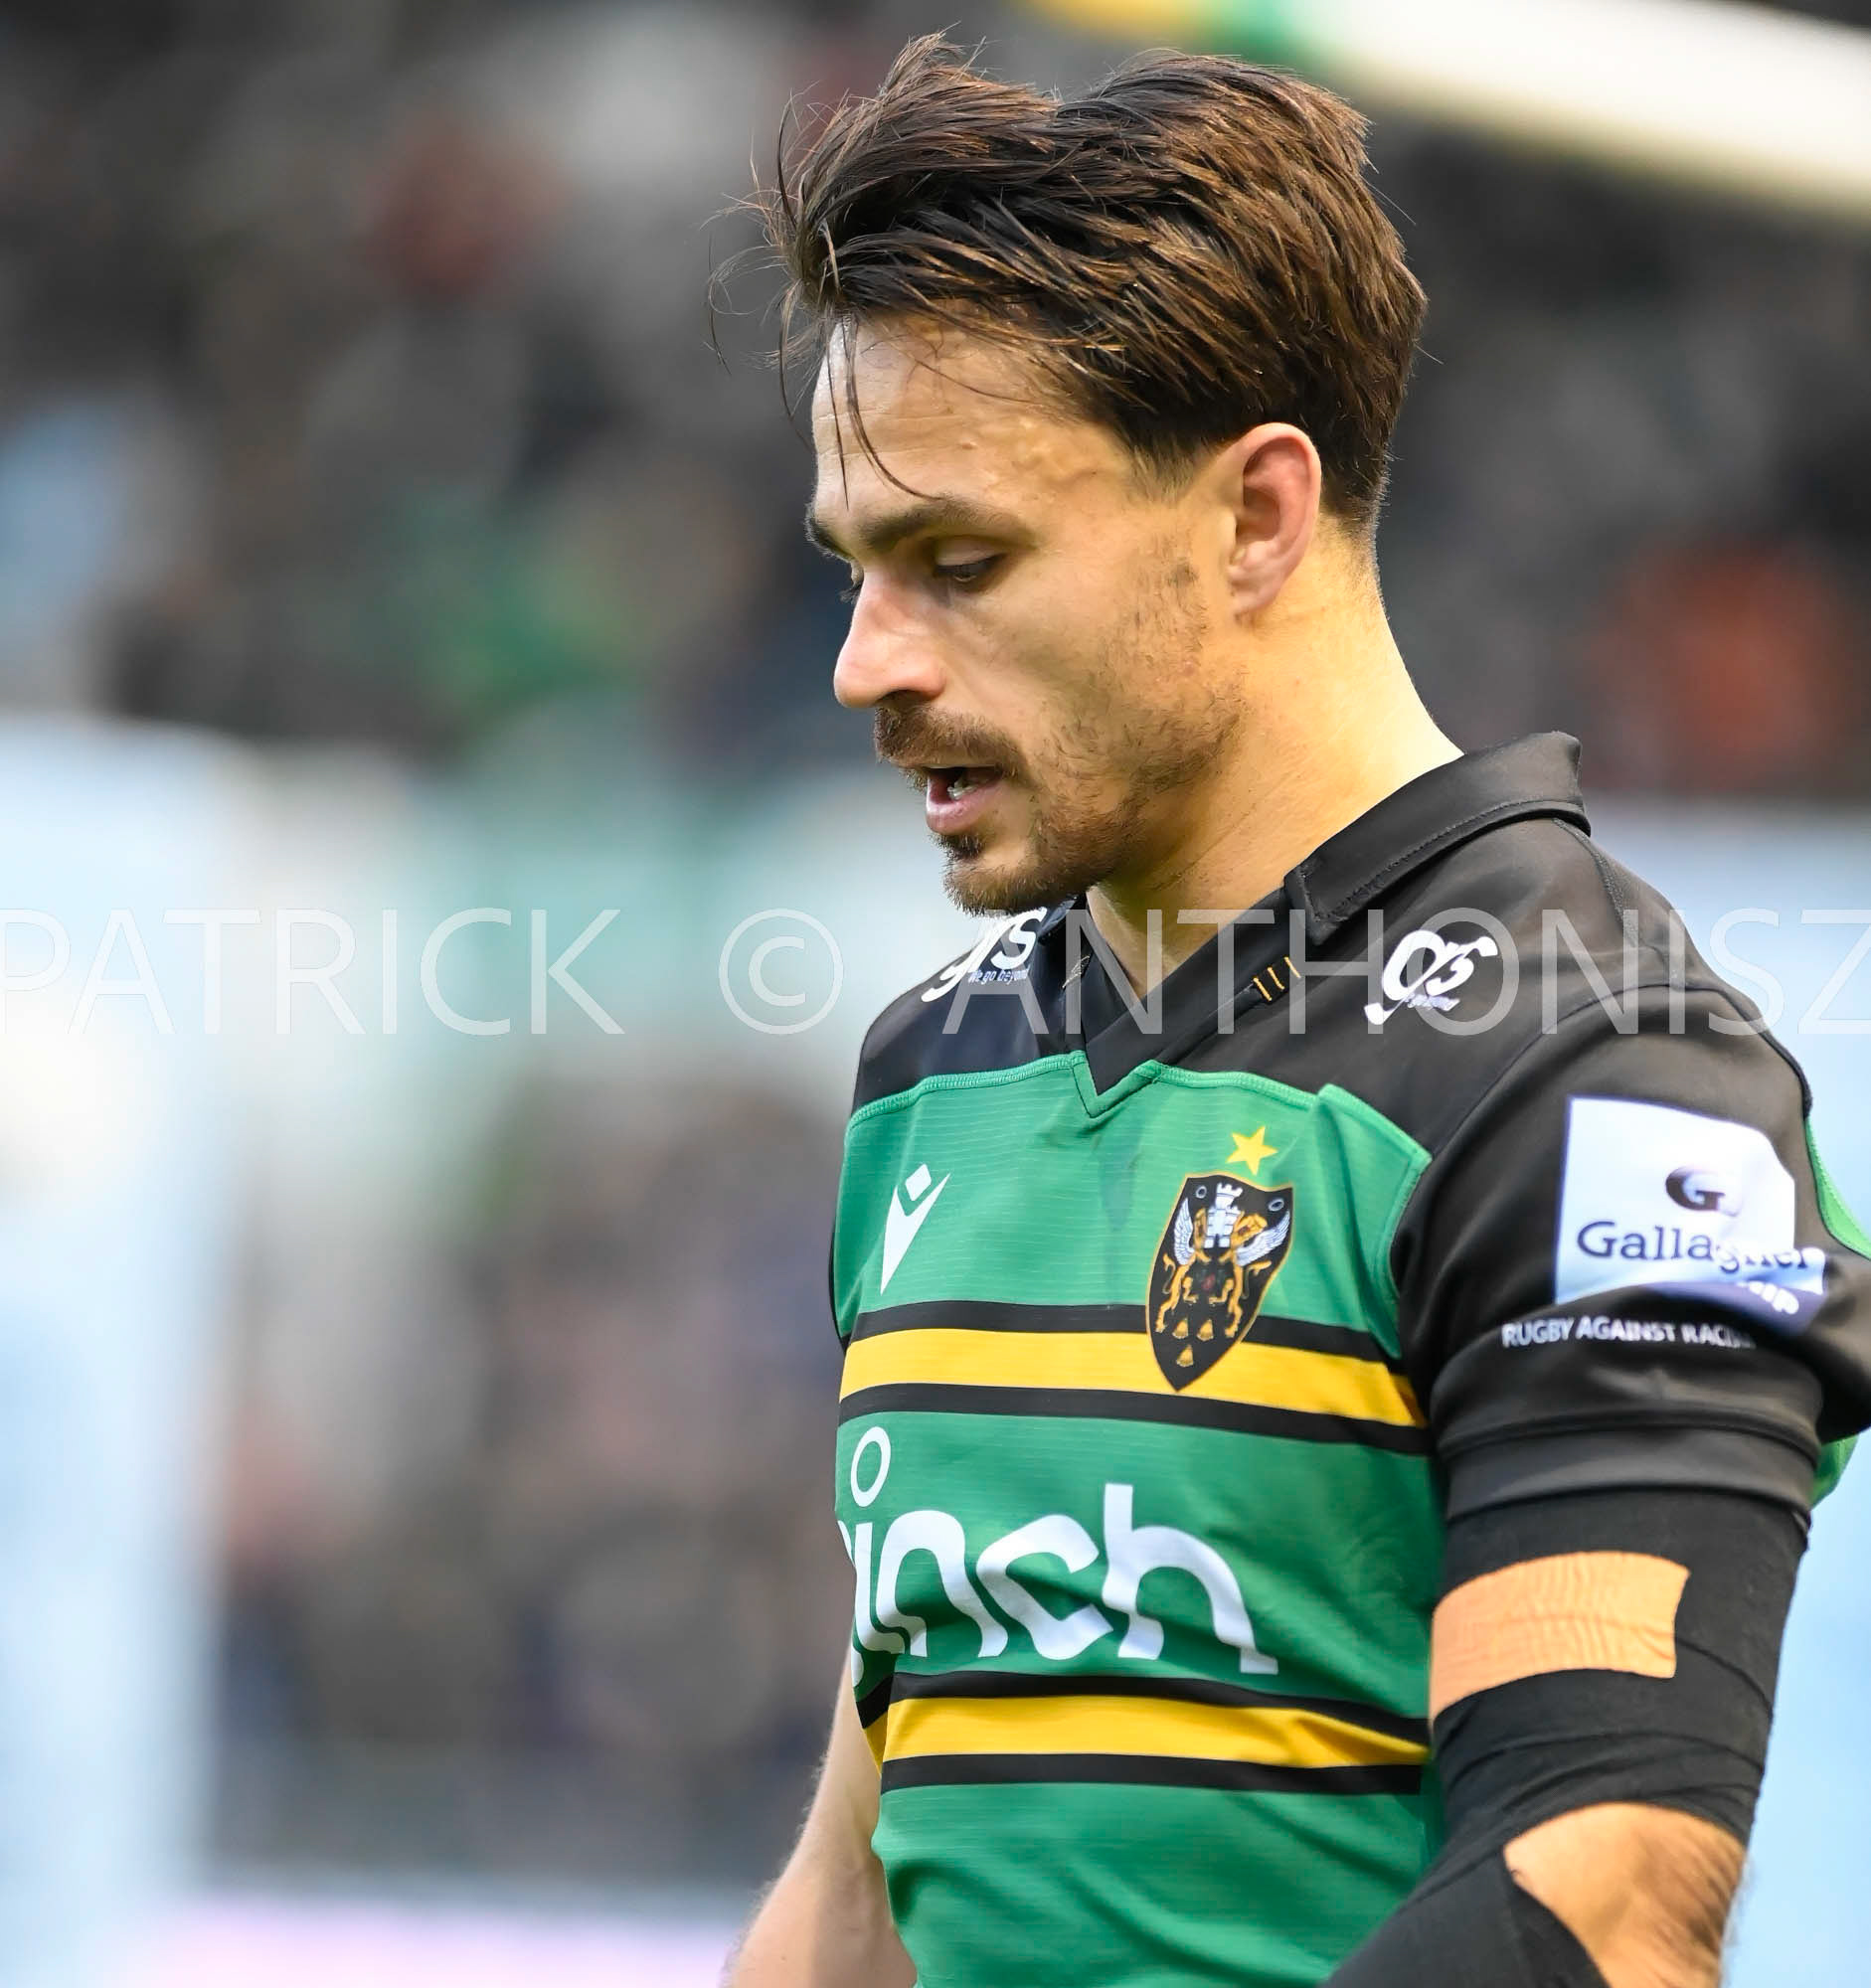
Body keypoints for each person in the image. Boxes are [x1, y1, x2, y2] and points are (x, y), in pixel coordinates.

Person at [724, 37, 1871, 1988]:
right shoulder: (938, 1071)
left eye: (959, 560)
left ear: (1256, 514)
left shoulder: (1600, 1080)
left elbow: (1593, 1895)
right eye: (854, 570)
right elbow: (875, 1859)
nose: (863, 662)